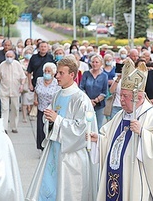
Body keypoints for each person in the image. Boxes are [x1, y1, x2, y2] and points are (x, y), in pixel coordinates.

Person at [88, 57, 153, 200]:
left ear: (139, 97)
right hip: (117, 174)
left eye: (125, 96)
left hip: (136, 173)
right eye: (120, 95)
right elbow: (109, 139)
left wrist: (143, 132)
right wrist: (98, 140)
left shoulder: (151, 116)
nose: (121, 100)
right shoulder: (120, 116)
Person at [26, 55, 98, 201]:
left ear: (72, 75)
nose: (56, 76)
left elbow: (83, 129)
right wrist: (50, 122)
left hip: (71, 157)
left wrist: (57, 120)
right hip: (54, 151)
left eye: (60, 73)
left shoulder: (81, 99)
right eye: (56, 72)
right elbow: (51, 121)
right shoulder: (58, 94)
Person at [0, 50, 26, 133]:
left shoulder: (17, 64)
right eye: (7, 56)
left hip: (15, 90)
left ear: (14, 57)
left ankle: (14, 127)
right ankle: (4, 128)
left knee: (15, 108)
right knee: (4, 109)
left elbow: (23, 77)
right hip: (4, 90)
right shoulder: (2, 65)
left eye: (11, 56)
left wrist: (22, 85)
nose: (9, 58)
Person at [33, 62, 61, 151]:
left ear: (53, 73)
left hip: (51, 110)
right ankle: (42, 148)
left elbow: (58, 95)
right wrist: (35, 99)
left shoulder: (56, 82)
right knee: (40, 129)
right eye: (45, 71)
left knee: (49, 129)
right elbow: (36, 91)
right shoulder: (39, 80)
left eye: (49, 71)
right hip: (41, 108)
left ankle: (49, 148)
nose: (47, 73)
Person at [80, 54, 108, 130]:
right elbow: (82, 88)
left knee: (98, 127)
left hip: (99, 105)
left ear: (101, 63)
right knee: (86, 126)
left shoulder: (104, 75)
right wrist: (89, 101)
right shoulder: (86, 74)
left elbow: (104, 92)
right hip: (87, 104)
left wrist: (96, 101)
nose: (94, 64)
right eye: (93, 62)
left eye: (97, 62)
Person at [20, 46, 35, 122]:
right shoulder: (21, 62)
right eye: (27, 53)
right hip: (24, 83)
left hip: (32, 82)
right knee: (24, 102)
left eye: (30, 53)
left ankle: (32, 114)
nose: (28, 54)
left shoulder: (33, 62)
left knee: (32, 101)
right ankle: (24, 117)